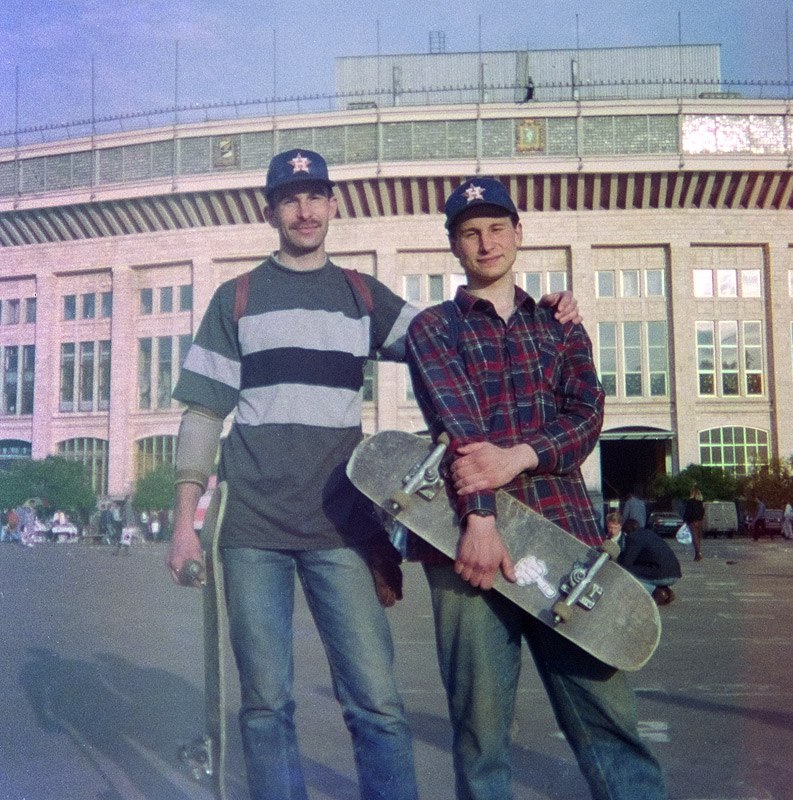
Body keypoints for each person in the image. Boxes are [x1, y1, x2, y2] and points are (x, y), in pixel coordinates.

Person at [165, 151, 579, 800]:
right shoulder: (237, 297)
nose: (304, 210)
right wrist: (184, 524)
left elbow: (453, 336)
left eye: (316, 196)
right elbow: (201, 413)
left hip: (340, 527)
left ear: (334, 206)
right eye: (290, 198)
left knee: (378, 705)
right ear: (267, 210)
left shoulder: (360, 295)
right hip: (250, 532)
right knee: (266, 704)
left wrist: (536, 307)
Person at [405, 177, 666, 800]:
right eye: (470, 232)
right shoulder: (433, 328)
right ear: (453, 245)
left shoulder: (560, 326)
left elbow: (586, 419)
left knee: (607, 719)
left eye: (497, 228)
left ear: (519, 235)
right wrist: (483, 518)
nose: (486, 242)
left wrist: (517, 456)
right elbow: (459, 423)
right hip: (467, 548)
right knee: (481, 734)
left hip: (565, 542)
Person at [617, 520, 681, 606]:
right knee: (637, 570)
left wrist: (616, 558)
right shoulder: (649, 533)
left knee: (626, 573)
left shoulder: (634, 537)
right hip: (674, 573)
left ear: (626, 532)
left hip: (663, 575)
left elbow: (626, 564)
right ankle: (666, 591)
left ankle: (657, 591)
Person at [681, 486, 705, 561]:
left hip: (692, 521)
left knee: (695, 538)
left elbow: (688, 512)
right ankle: (698, 554)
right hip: (700, 521)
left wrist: (685, 519)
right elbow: (702, 512)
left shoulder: (690, 502)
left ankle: (698, 554)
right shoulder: (700, 502)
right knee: (699, 538)